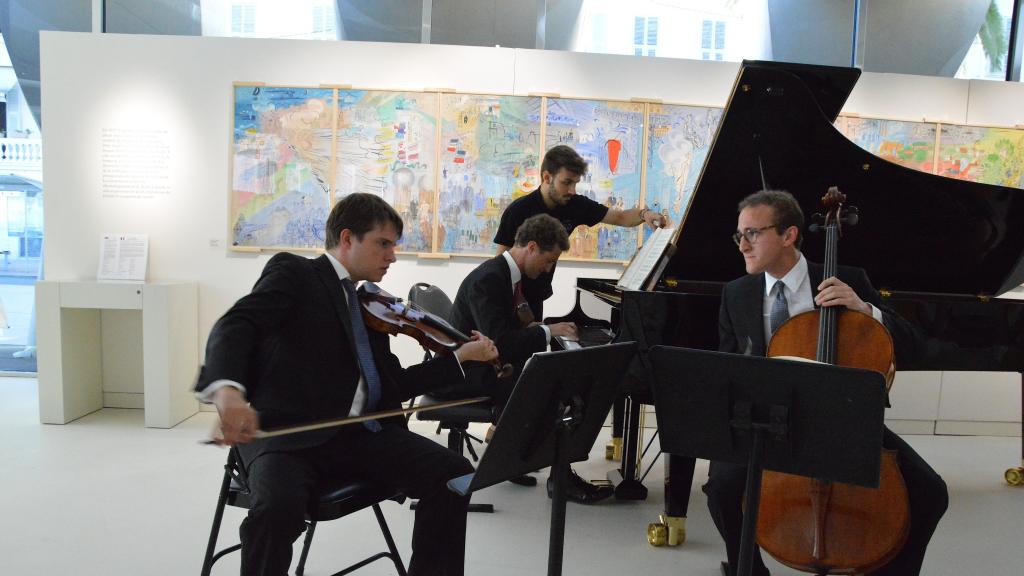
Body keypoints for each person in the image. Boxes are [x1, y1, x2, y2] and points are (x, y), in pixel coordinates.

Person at [195, 192, 499, 576]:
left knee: (455, 474)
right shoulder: (295, 274)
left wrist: (461, 357)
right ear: (346, 239)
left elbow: (393, 386)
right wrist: (227, 391)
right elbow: (237, 324)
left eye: (394, 246)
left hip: (357, 437)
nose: (391, 256)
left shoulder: (370, 308)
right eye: (382, 244)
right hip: (286, 437)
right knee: (276, 509)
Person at [708, 189, 948, 576]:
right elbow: (730, 366)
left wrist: (863, 309)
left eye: (753, 233)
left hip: (843, 420)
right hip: (768, 425)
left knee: (931, 493)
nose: (743, 244)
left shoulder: (847, 279)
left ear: (789, 235)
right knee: (721, 491)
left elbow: (913, 343)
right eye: (740, 235)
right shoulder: (737, 294)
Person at [448, 213, 613, 503]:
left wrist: (536, 329)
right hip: (466, 374)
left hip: (487, 367)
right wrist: (548, 331)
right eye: (548, 260)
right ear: (532, 247)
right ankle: (558, 478)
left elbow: (503, 332)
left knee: (549, 384)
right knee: (553, 394)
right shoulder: (488, 279)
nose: (548, 269)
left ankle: (518, 457)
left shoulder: (507, 277)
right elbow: (500, 344)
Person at [493, 144, 670, 318]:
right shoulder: (518, 211)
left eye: (575, 183)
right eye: (566, 182)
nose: (572, 190)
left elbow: (620, 217)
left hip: (537, 297)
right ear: (547, 177)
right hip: (510, 300)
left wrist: (644, 214)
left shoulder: (576, 204)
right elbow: (500, 266)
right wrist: (518, 304)